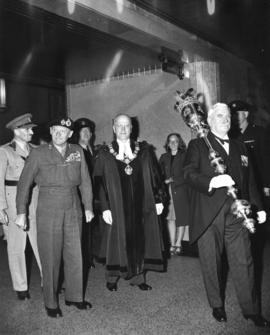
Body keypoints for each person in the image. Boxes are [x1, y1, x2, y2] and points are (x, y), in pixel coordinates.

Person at [183, 103, 269, 327]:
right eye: (220, 116)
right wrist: (212, 181)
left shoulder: (241, 147)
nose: (225, 119)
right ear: (209, 121)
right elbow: (189, 174)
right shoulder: (198, 144)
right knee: (211, 262)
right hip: (208, 212)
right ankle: (217, 304)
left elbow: (250, 181)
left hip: (237, 212)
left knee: (244, 260)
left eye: (228, 116)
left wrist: (258, 208)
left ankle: (251, 310)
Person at [15, 117, 94, 318]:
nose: (59, 134)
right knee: (50, 256)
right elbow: (24, 183)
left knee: (75, 253)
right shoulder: (39, 153)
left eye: (64, 131)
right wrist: (21, 212)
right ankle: (50, 302)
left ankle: (75, 297)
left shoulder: (77, 151)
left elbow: (85, 180)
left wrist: (88, 207)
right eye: (56, 130)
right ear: (51, 131)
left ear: (70, 134)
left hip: (73, 206)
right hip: (48, 208)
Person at [94, 114, 165, 292]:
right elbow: (99, 181)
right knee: (114, 240)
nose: (123, 129)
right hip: (116, 206)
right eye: (119, 125)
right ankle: (112, 277)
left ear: (132, 128)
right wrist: (105, 207)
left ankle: (138, 277)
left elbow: (155, 175)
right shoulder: (104, 152)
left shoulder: (144, 150)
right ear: (113, 128)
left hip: (141, 205)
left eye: (127, 126)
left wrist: (158, 199)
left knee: (140, 239)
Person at [0, 113, 42, 300]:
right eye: (27, 129)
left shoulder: (37, 149)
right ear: (17, 130)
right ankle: (21, 287)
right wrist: (0, 208)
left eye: (31, 128)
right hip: (12, 204)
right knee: (17, 247)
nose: (31, 132)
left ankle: (46, 281)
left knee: (41, 243)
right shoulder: (4, 151)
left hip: (36, 200)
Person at [159, 133, 189, 256]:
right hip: (167, 191)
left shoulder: (185, 156)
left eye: (175, 141)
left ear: (179, 143)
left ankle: (179, 243)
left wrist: (173, 180)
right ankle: (172, 244)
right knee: (170, 219)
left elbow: (188, 174)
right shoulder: (163, 157)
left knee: (181, 218)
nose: (173, 143)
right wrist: (164, 181)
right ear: (167, 143)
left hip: (181, 190)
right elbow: (158, 173)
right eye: (170, 141)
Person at [73, 117, 96, 269]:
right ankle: (81, 258)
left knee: (90, 228)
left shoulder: (92, 150)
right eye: (83, 131)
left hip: (92, 195)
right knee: (80, 228)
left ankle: (89, 256)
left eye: (89, 131)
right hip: (80, 196)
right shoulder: (74, 150)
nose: (86, 133)